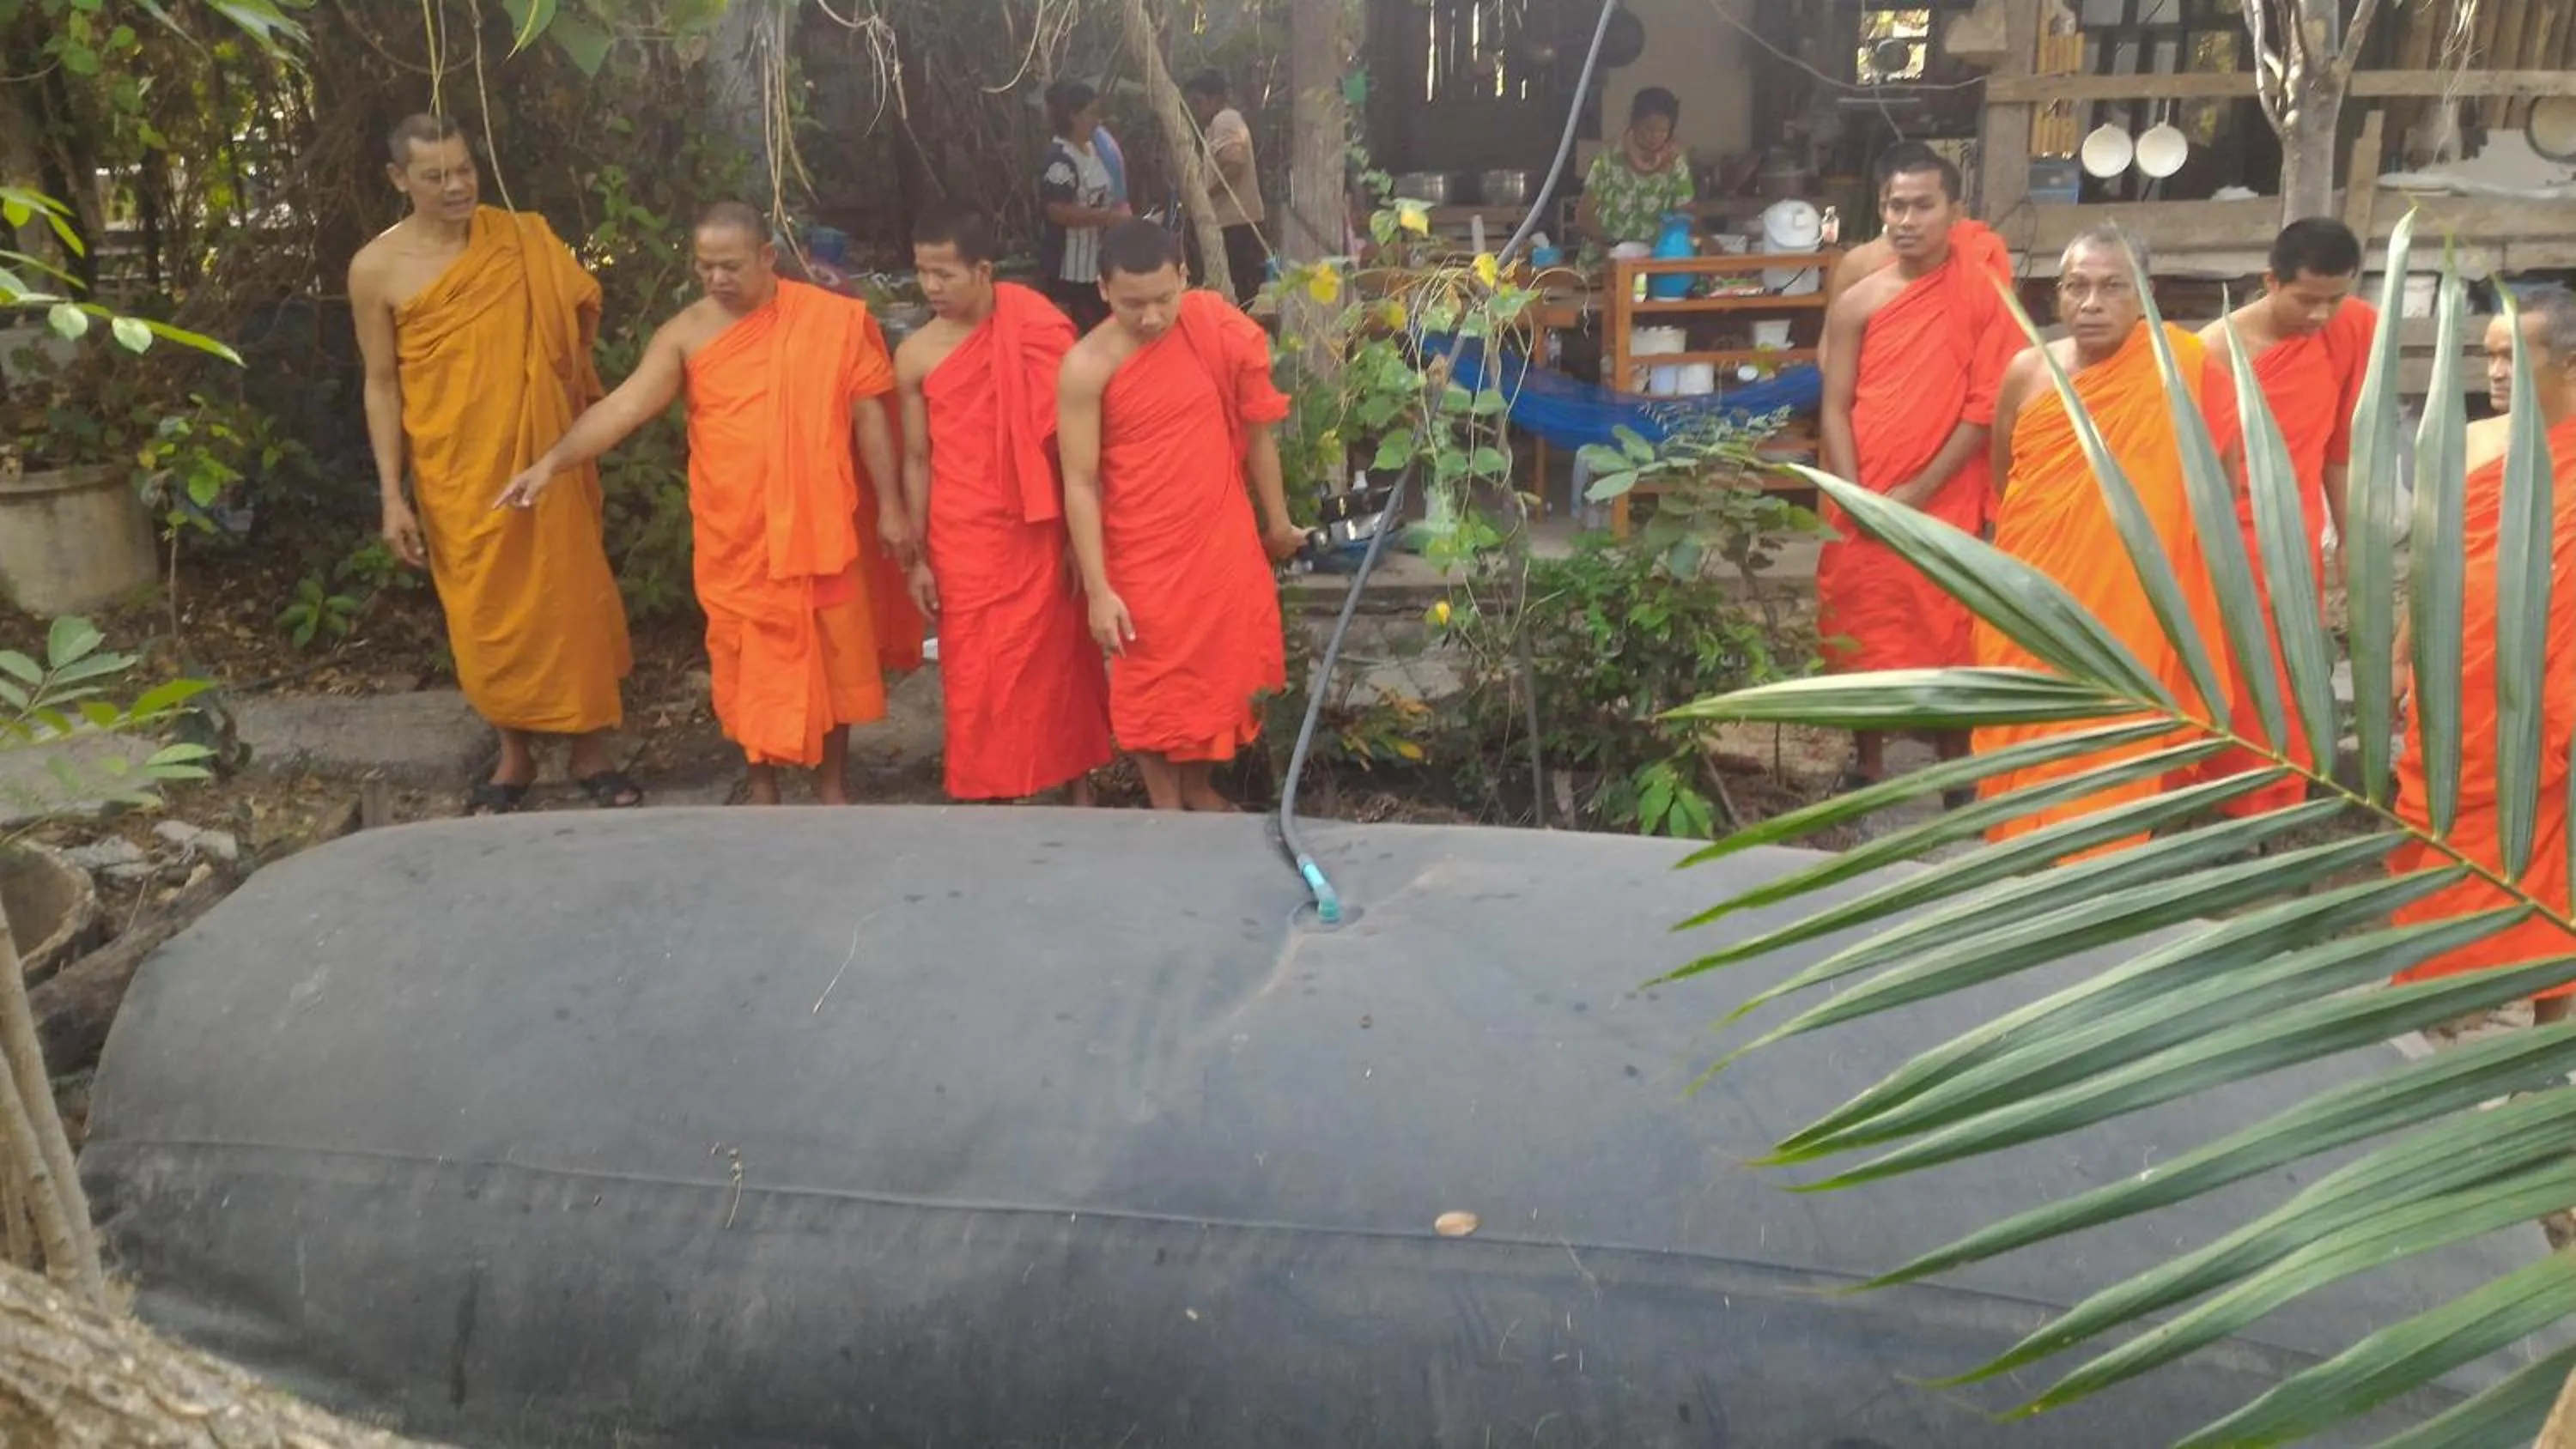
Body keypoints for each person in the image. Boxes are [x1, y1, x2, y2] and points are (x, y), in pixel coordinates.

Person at [495, 203, 909, 806]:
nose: (717, 279)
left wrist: (893, 506)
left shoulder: (829, 320)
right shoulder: (686, 333)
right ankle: (762, 785)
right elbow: (623, 406)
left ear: (767, 258)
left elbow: (869, 415)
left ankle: (832, 786)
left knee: (829, 651)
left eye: (731, 266)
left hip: (818, 526)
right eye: (705, 266)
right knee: (744, 657)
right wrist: (551, 463)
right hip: (736, 532)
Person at [349, 112, 638, 815]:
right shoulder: (375, 268)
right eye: (435, 176)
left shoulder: (522, 239)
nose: (456, 187)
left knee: (570, 597)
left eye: (464, 169)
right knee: (483, 614)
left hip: (546, 452)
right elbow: (382, 383)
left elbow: (573, 324)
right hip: (456, 468)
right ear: (398, 179)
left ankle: (592, 751)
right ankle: (514, 755)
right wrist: (392, 495)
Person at [1972, 225, 2241, 850]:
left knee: (2111, 743)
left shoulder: (2185, 368)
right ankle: (2013, 869)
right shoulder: (2027, 371)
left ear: (2145, 293)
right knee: (2018, 735)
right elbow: (2005, 477)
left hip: (2132, 604)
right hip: (2032, 598)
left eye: (2112, 287)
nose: (2090, 303)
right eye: (2076, 287)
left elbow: (2218, 485)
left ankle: (2099, 873)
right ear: (2057, 296)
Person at [1056, 222, 1305, 811]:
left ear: (1185, 279)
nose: (1151, 317)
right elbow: (1080, 482)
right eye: (1132, 304)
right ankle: (1166, 805)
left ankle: (1197, 791)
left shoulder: (1211, 325)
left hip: (1217, 538)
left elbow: (1257, 427)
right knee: (1148, 680)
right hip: (1140, 551)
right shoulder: (1086, 367)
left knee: (1219, 675)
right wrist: (1098, 589)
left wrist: (1278, 522)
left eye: (1164, 299)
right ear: (1102, 290)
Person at [2388, 286, 2576, 1025]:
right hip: (2455, 693)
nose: (2494, 373)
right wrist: (2402, 657)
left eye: (2511, 355)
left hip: (2544, 700)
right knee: (2446, 843)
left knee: (2540, 854)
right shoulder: (2476, 443)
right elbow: (2434, 558)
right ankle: (2452, 994)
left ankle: (2527, 1009)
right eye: (2487, 355)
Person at [896, 202, 1115, 803]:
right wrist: (916, 555)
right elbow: (916, 458)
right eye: (922, 272)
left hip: (1039, 526)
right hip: (963, 533)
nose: (931, 287)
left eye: (945, 274)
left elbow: (1072, 448)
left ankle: (1077, 785)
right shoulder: (915, 353)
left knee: (1059, 663)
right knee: (978, 672)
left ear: (984, 270)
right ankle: (989, 790)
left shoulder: (1038, 327)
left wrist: (1078, 539)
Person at [1815, 147, 2018, 796]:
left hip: (1945, 487)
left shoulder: (1983, 291)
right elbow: (1835, 403)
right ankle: (1868, 763)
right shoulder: (1860, 299)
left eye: (1923, 205)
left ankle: (1954, 764)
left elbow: (1986, 406)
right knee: (1863, 619)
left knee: (1948, 621)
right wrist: (1858, 496)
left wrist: (1917, 491)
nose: (1908, 220)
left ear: (1954, 212)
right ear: (1881, 209)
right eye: (1896, 205)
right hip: (1864, 488)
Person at [2194, 217, 2377, 817]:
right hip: (2222, 540)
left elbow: (2341, 450)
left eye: (2336, 298)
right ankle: (2209, 804)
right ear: (2270, 281)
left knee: (2284, 675)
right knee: (2223, 673)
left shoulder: (2353, 329)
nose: (2322, 315)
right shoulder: (2213, 352)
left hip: (2294, 541)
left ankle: (2270, 806)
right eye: (2307, 300)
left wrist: (2350, 539)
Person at [1038, 80, 1128, 332]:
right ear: (1073, 116)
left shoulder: (1095, 150)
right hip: (1067, 269)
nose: (1097, 120)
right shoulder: (1060, 159)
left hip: (1095, 265)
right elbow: (1056, 210)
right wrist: (1104, 218)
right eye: (1091, 113)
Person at [1181, 70, 1269, 306]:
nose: (1196, 109)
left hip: (1236, 225)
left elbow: (1234, 162)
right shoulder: (1217, 124)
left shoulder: (1226, 120)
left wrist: (1203, 195)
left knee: (1236, 292)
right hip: (1235, 223)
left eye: (1199, 102)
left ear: (1215, 99)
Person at [1576, 88, 1693, 253]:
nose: (1656, 137)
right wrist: (1610, 245)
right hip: (1604, 261)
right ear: (1635, 123)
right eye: (1650, 129)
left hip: (1650, 265)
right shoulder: (1610, 157)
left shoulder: (1675, 162)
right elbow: (1583, 214)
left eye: (1663, 131)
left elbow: (1685, 212)